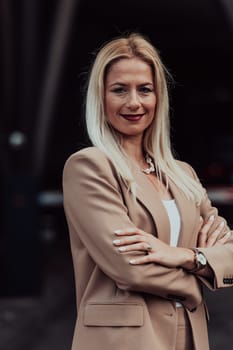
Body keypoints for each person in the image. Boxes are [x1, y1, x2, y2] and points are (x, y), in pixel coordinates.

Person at [62, 33, 233, 350]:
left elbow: (232, 260)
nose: (133, 102)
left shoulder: (182, 174)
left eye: (145, 89)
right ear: (101, 97)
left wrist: (185, 255)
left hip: (191, 337)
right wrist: (202, 276)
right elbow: (129, 270)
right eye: (119, 90)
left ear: (159, 97)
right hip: (125, 340)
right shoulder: (90, 166)